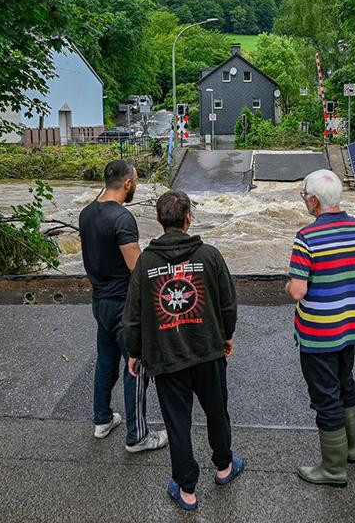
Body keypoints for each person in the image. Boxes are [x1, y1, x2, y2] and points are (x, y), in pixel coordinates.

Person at [124, 190, 244, 511]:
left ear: (159, 219)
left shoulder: (146, 262)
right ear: (189, 218)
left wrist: (134, 351)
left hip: (165, 356)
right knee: (216, 411)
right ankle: (224, 466)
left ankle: (187, 489)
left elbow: (133, 314)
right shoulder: (210, 255)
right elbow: (228, 303)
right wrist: (227, 336)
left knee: (177, 423)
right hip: (208, 350)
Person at [286, 169, 355, 488]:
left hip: (317, 334)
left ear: (314, 201)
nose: (305, 201)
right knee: (345, 385)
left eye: (304, 197)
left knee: (325, 397)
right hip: (349, 327)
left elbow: (297, 291)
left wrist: (289, 284)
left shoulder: (306, 237)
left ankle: (333, 469)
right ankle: (350, 450)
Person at [78, 159, 168, 453]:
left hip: (100, 301)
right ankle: (138, 436)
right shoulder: (122, 219)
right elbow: (136, 268)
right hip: (123, 306)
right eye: (136, 182)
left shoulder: (86, 213)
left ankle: (102, 419)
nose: (136, 186)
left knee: (106, 361)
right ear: (128, 183)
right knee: (136, 366)